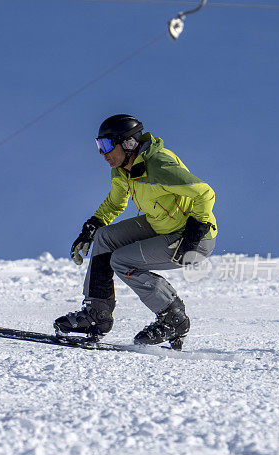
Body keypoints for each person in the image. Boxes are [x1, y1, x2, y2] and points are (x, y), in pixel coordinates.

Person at [54, 114, 218, 349]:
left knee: (121, 260)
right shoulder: (122, 171)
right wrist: (91, 226)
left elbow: (204, 193)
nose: (103, 153)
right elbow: (114, 204)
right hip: (160, 225)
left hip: (192, 238)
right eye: (99, 145)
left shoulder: (160, 165)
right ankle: (96, 315)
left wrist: (194, 234)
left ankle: (173, 318)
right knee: (104, 237)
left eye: (107, 145)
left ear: (128, 143)